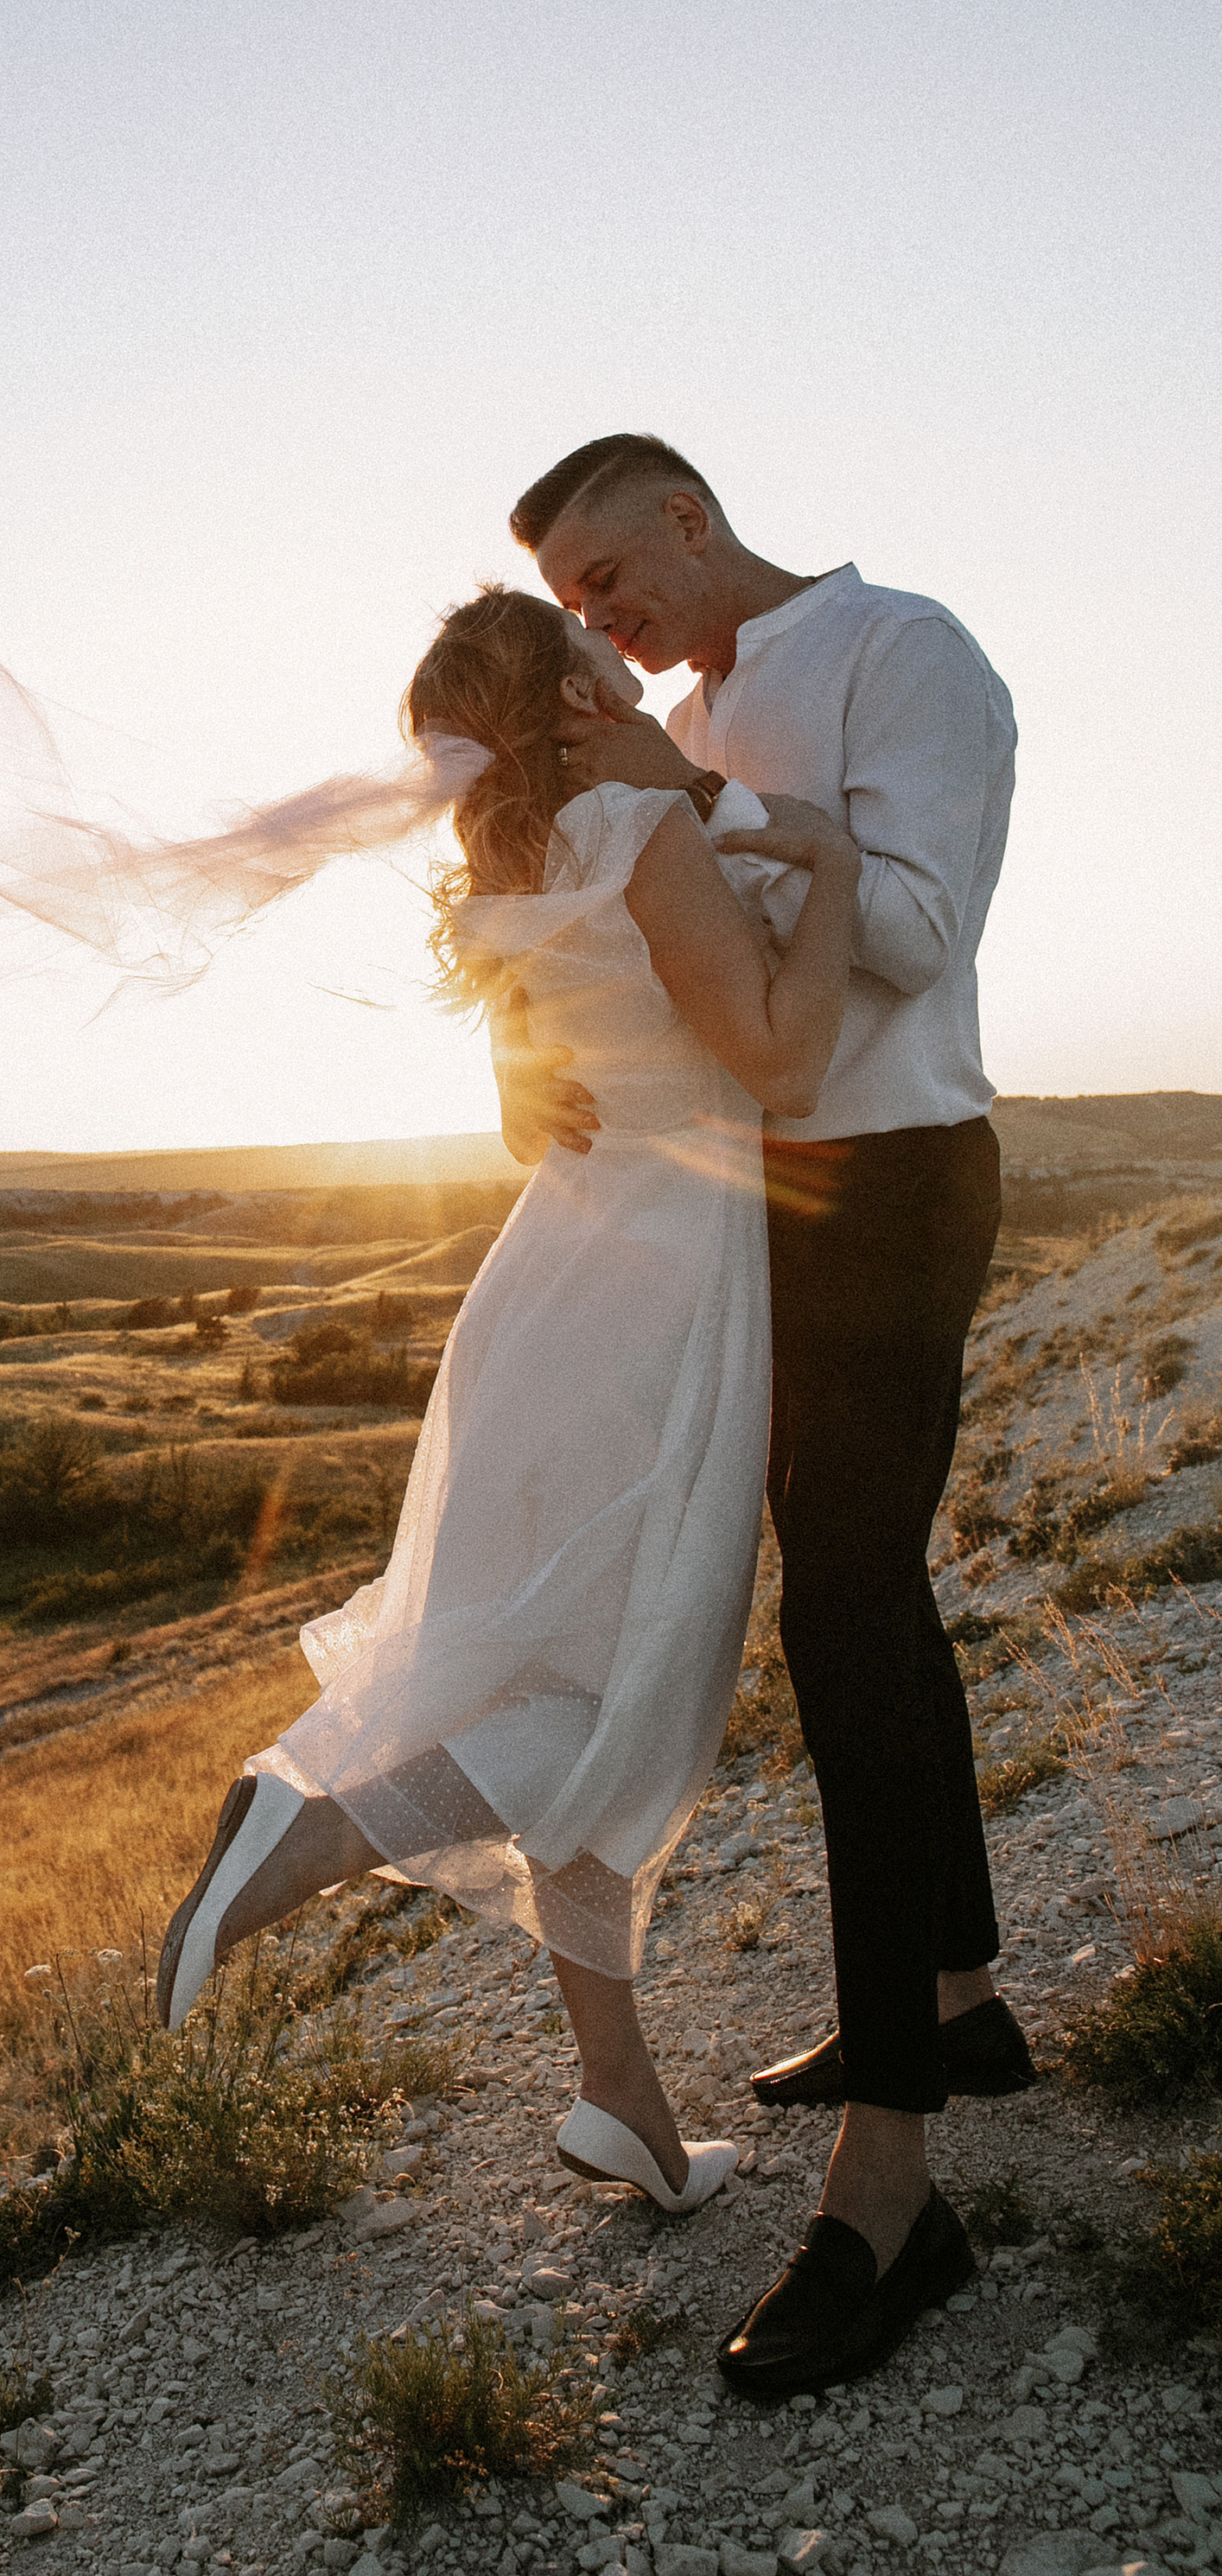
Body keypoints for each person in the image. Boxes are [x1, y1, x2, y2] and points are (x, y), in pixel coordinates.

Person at [156, 583, 859, 2226]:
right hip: (666, 1291)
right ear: (560, 702)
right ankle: (311, 1834)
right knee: (621, 1688)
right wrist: (823, 868)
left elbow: (526, 1098)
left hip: (558, 1284)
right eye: (592, 653)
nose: (623, 659)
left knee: (578, 1667)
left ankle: (624, 2105)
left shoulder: (519, 863)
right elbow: (783, 1060)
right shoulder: (632, 832)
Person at [501, 432, 1022, 2401]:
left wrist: (688, 795)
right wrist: (527, 1069)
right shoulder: (685, 714)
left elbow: (910, 929)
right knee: (861, 1598)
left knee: (835, 1617)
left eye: (599, 578)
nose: (593, 622)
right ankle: (960, 1999)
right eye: (565, 607)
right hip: (741, 1207)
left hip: (888, 1180)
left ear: (685, 518)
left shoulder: (905, 648)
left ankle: (892, 2180)